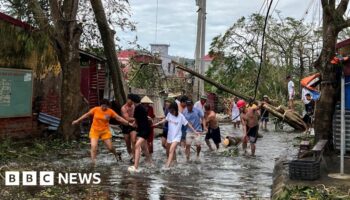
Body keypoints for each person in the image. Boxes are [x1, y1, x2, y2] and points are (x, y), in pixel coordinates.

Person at [72, 99, 130, 165]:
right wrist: (77, 120)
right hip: (95, 130)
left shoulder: (110, 112)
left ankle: (116, 154)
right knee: (93, 146)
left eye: (105, 106)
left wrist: (128, 123)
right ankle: (93, 162)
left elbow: (119, 118)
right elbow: (86, 115)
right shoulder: (95, 109)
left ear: (108, 106)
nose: (104, 108)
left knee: (110, 147)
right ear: (100, 105)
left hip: (105, 131)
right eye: (103, 106)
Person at [154, 102, 199, 168]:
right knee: (168, 150)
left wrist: (195, 131)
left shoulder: (181, 116)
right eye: (170, 110)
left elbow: (187, 124)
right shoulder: (169, 114)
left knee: (171, 149)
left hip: (177, 136)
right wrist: (157, 124)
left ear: (175, 109)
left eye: (172, 110)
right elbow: (165, 120)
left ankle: (167, 166)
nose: (170, 112)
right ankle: (174, 162)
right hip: (170, 136)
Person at [128, 94, 152, 173]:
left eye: (129, 99)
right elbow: (140, 119)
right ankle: (150, 162)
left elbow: (135, 121)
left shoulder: (137, 108)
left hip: (144, 130)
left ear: (132, 100)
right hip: (143, 129)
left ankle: (136, 166)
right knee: (144, 147)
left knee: (137, 145)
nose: (128, 101)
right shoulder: (141, 107)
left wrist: (130, 124)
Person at [120, 94, 137, 163]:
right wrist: (136, 118)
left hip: (133, 126)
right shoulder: (123, 108)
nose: (132, 102)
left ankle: (134, 156)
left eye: (133, 101)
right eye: (131, 100)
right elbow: (127, 118)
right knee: (127, 142)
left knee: (133, 140)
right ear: (127, 99)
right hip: (126, 126)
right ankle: (131, 155)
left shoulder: (134, 106)